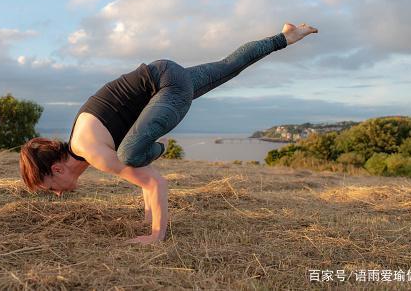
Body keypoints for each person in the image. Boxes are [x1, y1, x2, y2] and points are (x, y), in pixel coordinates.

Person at [19, 22, 318, 244]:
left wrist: (155, 235)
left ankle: (160, 146)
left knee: (130, 153)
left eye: (50, 187)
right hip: (164, 74)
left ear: (57, 169)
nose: (56, 194)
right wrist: (147, 213)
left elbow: (154, 182)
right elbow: (142, 180)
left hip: (166, 86)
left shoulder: (93, 152)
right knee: (230, 66)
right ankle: (287, 35)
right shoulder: (83, 142)